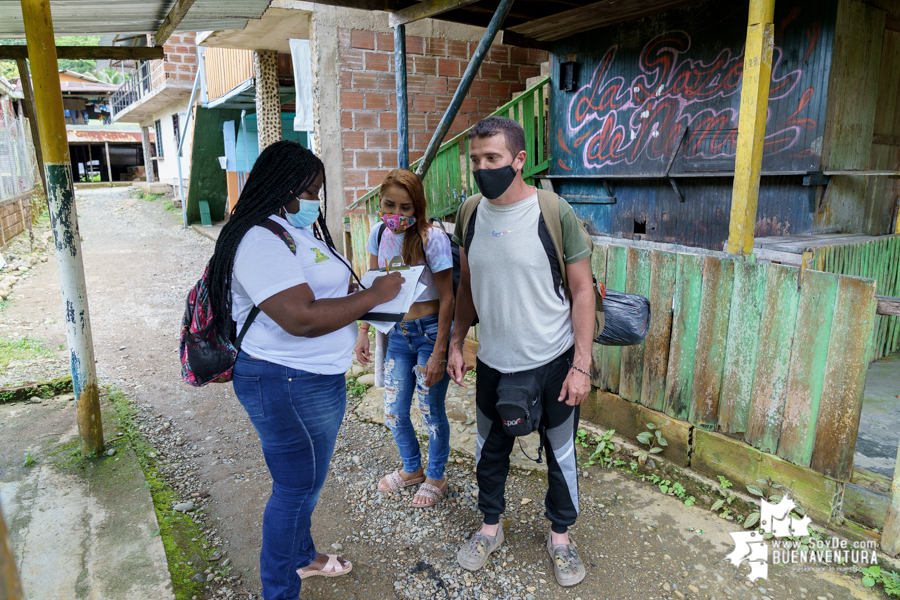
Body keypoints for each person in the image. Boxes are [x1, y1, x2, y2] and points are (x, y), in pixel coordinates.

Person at [206, 140, 403, 600]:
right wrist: (375, 296)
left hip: (313, 379)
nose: (317, 199)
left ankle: (301, 557)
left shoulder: (292, 231)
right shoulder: (257, 239)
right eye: (312, 191)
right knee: (295, 490)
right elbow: (301, 316)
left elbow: (323, 289)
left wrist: (365, 293)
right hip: (284, 380)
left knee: (306, 482)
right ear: (285, 189)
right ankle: (278, 590)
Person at [446, 117, 596, 587]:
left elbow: (582, 290)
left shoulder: (552, 212)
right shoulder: (470, 213)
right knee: (489, 452)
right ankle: (490, 529)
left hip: (553, 362)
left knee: (561, 454)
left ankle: (560, 539)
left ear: (518, 160)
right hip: (493, 362)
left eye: (492, 158)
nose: (482, 168)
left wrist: (581, 366)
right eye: (475, 160)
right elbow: (467, 285)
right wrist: (456, 341)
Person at [354, 169, 455, 508]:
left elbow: (448, 298)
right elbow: (371, 286)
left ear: (418, 207)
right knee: (394, 411)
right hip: (396, 334)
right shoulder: (378, 232)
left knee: (430, 410)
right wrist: (363, 331)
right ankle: (412, 469)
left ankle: (436, 476)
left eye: (405, 208)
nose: (396, 216)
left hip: (429, 333)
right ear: (379, 202)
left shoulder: (432, 239)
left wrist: (441, 349)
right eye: (389, 205)